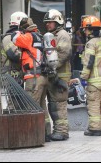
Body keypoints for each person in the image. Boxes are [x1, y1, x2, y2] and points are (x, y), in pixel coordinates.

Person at [12, 17, 51, 142]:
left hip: (33, 78)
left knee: (31, 107)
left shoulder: (29, 36)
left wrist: (16, 31)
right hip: (43, 76)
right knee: (42, 106)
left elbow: (15, 38)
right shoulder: (39, 36)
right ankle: (46, 134)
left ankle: (33, 136)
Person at [70, 15, 101, 136]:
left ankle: (94, 129)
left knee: (93, 105)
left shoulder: (90, 44)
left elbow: (89, 62)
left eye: (85, 29)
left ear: (91, 29)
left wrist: (83, 78)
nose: (84, 31)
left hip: (94, 81)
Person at [43, 9, 72, 141]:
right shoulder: (51, 35)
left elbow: (64, 53)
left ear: (58, 21)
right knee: (53, 104)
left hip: (61, 76)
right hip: (53, 75)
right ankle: (57, 130)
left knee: (59, 104)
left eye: (50, 22)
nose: (48, 25)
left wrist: (53, 66)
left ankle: (62, 131)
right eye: (47, 23)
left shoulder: (62, 35)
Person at [1, 11, 27, 86]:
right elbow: (14, 55)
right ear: (20, 25)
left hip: (18, 76)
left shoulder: (18, 37)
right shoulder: (8, 38)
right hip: (11, 78)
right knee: (15, 98)